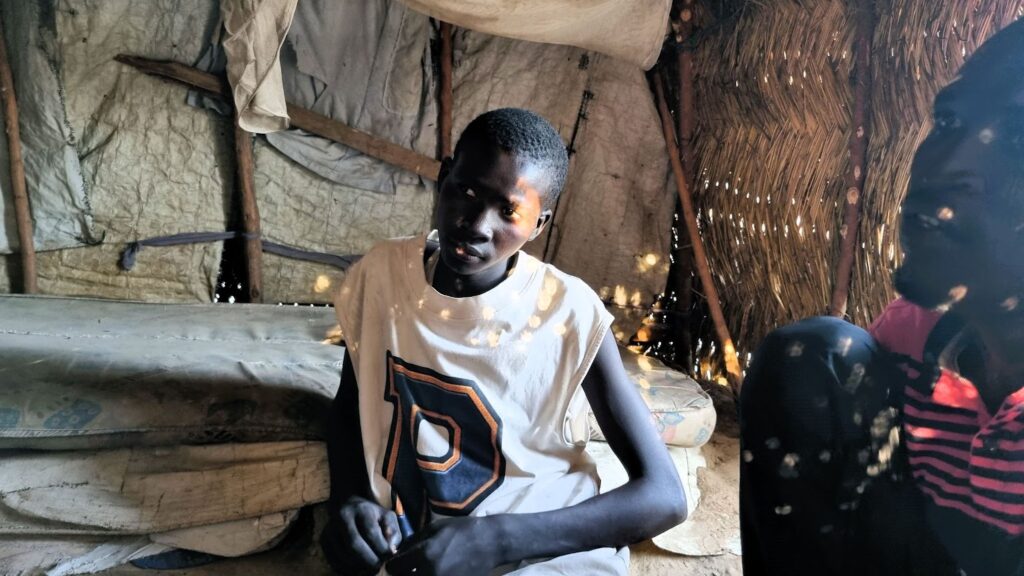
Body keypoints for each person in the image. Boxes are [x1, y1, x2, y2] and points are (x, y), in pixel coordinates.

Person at [321, 108, 687, 576]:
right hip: (419, 554)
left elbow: (664, 495)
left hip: (544, 553)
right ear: (444, 174)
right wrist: (348, 501)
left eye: (508, 211)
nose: (476, 223)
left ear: (539, 225)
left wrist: (498, 539)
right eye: (466, 191)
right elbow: (351, 408)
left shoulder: (567, 311)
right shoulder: (380, 276)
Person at [740, 18, 1024, 576]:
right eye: (947, 123)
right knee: (815, 353)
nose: (942, 167)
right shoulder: (913, 335)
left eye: (1017, 141)